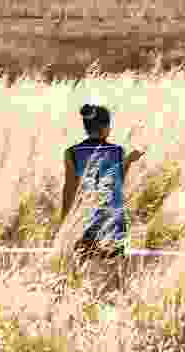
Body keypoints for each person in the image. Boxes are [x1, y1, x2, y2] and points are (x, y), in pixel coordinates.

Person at [61, 103, 144, 263]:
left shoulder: (72, 152)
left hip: (85, 217)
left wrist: (65, 220)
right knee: (113, 265)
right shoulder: (117, 151)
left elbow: (69, 189)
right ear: (105, 127)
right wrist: (129, 161)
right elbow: (116, 182)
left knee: (82, 264)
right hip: (112, 218)